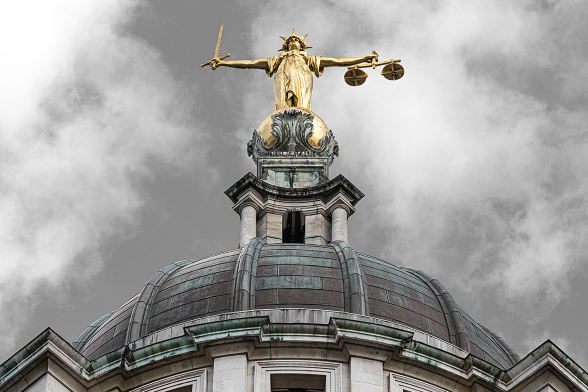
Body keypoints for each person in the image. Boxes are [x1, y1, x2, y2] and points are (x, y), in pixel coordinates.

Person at [206, 29, 377, 111]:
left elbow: (337, 61)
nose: (293, 41)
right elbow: (252, 63)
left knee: (301, 105)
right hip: (282, 76)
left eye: (296, 40)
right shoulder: (279, 59)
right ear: (286, 45)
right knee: (284, 106)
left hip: (302, 76)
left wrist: (363, 58)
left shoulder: (307, 59)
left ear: (302, 45)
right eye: (291, 40)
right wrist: (223, 63)